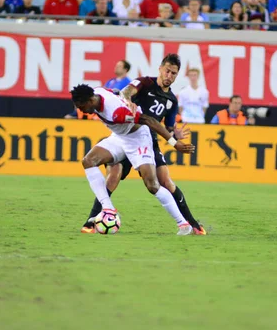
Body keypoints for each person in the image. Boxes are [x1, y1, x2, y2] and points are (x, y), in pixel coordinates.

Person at [76, 53, 205, 235]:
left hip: (147, 140)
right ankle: (93, 220)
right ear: (160, 69)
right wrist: (127, 101)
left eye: (174, 74)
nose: (169, 76)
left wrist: (173, 134)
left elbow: (166, 126)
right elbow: (127, 91)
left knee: (163, 182)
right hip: (125, 133)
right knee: (113, 175)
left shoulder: (172, 101)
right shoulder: (144, 83)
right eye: (167, 71)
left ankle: (192, 224)